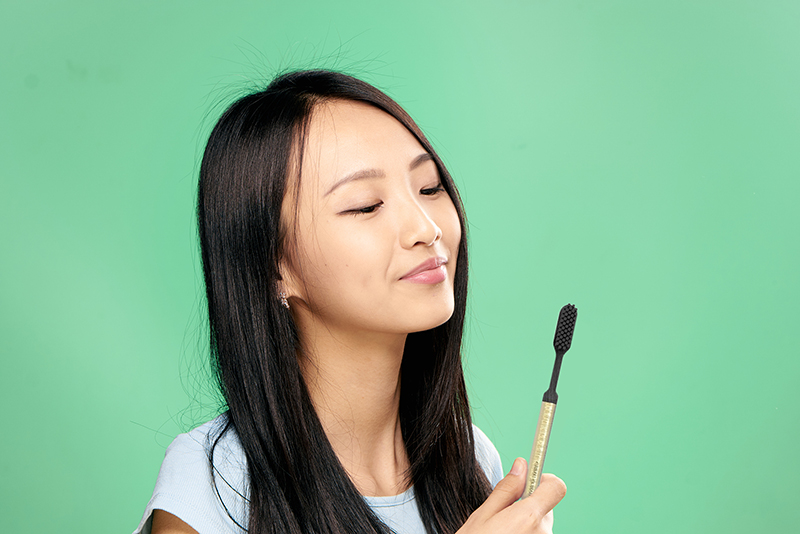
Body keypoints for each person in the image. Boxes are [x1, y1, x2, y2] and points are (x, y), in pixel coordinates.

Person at [134, 70, 566, 534]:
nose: (426, 228)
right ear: (272, 267)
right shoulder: (214, 484)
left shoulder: (471, 458)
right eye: (365, 205)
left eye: (429, 187)